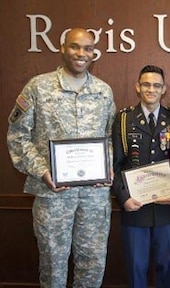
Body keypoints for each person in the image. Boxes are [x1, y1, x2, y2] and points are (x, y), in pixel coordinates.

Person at [6, 28, 116, 287]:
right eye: (75, 46)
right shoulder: (38, 87)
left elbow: (109, 137)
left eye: (88, 48)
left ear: (94, 53)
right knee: (53, 264)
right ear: (62, 48)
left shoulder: (103, 91)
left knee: (93, 263)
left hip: (94, 195)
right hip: (52, 196)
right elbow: (17, 135)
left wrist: (107, 165)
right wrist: (43, 171)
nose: (81, 53)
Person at [111, 65, 170, 288]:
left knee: (168, 269)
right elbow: (116, 164)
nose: (151, 89)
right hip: (135, 207)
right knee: (135, 268)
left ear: (164, 89)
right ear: (137, 87)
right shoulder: (123, 120)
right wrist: (124, 198)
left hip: (166, 208)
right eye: (146, 84)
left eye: (156, 85)